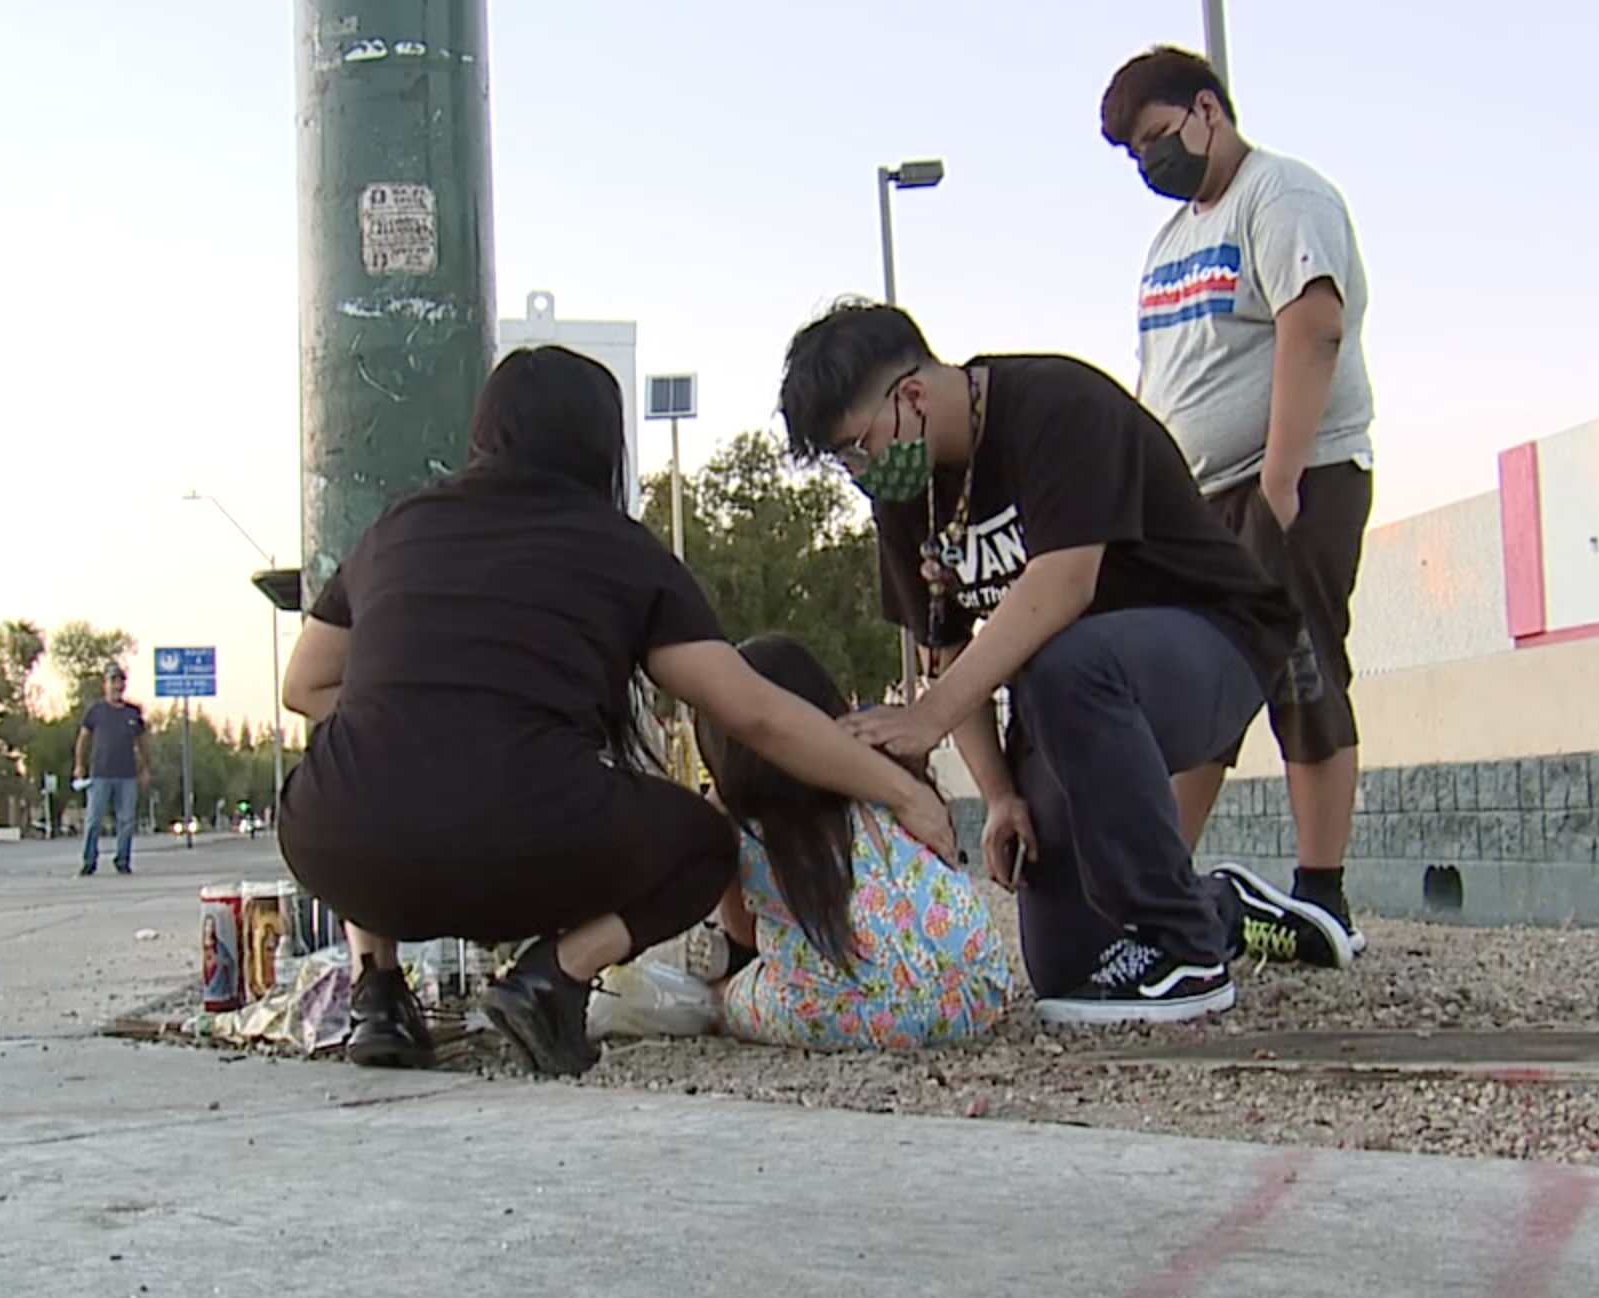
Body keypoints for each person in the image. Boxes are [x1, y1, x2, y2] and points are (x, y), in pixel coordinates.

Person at [276, 345, 955, 1076]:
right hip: (521, 849)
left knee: (363, 764)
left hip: (335, 851)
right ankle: (552, 976)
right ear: (605, 443)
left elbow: (304, 688)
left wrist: (423, 710)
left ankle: (378, 996)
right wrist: (903, 790)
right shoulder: (619, 551)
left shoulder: (395, 530)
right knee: (701, 847)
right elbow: (754, 713)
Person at [777, 300, 1356, 1027]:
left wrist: (926, 717)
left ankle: (1189, 949)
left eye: (856, 447)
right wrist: (998, 795)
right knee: (1068, 969)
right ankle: (1221, 908)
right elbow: (947, 643)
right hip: (1075, 699)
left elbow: (1063, 584)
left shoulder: (1056, 406)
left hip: (1214, 646)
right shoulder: (910, 492)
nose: (859, 471)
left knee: (1064, 660)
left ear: (913, 397)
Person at [1101, 47, 1375, 956]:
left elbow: (1313, 326)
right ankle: (1157, 893)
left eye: (1156, 136)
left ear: (1206, 112)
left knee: (1300, 673)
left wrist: (1281, 482)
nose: (1151, 161)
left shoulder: (1281, 196)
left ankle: (1322, 895)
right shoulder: (1171, 240)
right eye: (1134, 151)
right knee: (1191, 691)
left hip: (1290, 481)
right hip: (1193, 504)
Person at [695, 633, 1011, 1050]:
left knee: (726, 996)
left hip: (860, 1015)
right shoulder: (884, 773)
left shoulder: (740, 823)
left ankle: (721, 1003)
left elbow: (744, 933)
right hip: (977, 989)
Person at [72, 662, 148, 876]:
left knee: (126, 820)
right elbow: (83, 740)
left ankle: (122, 860)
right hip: (100, 774)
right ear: (105, 685)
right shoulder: (96, 711)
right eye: (112, 681)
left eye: (120, 681)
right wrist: (79, 764)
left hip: (127, 775)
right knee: (93, 819)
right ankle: (89, 861)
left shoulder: (132, 713)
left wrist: (145, 769)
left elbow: (142, 743)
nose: (117, 686)